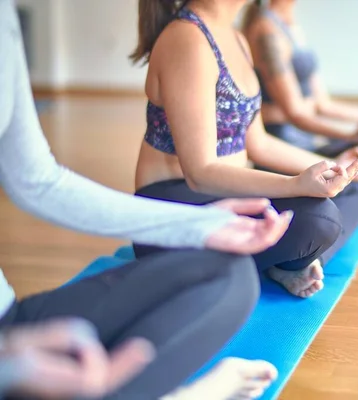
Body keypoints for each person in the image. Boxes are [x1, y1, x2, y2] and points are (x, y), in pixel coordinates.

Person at [0, 0, 289, 397]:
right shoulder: (188, 37)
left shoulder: (5, 18)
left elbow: (39, 182)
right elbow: (202, 167)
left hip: (9, 320)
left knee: (230, 274)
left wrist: (199, 226)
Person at [129, 0, 358, 299]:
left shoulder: (235, 38)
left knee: (351, 191)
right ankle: (287, 261)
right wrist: (294, 184)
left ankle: (293, 263)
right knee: (319, 219)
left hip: (226, 192)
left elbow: (258, 143)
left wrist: (331, 167)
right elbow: (200, 174)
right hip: (174, 212)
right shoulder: (187, 39)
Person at [241, 0, 358, 195]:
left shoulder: (290, 25)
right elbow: (296, 112)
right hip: (285, 146)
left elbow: (323, 103)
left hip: (309, 137)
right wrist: (351, 136)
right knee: (352, 186)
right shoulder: (266, 29)